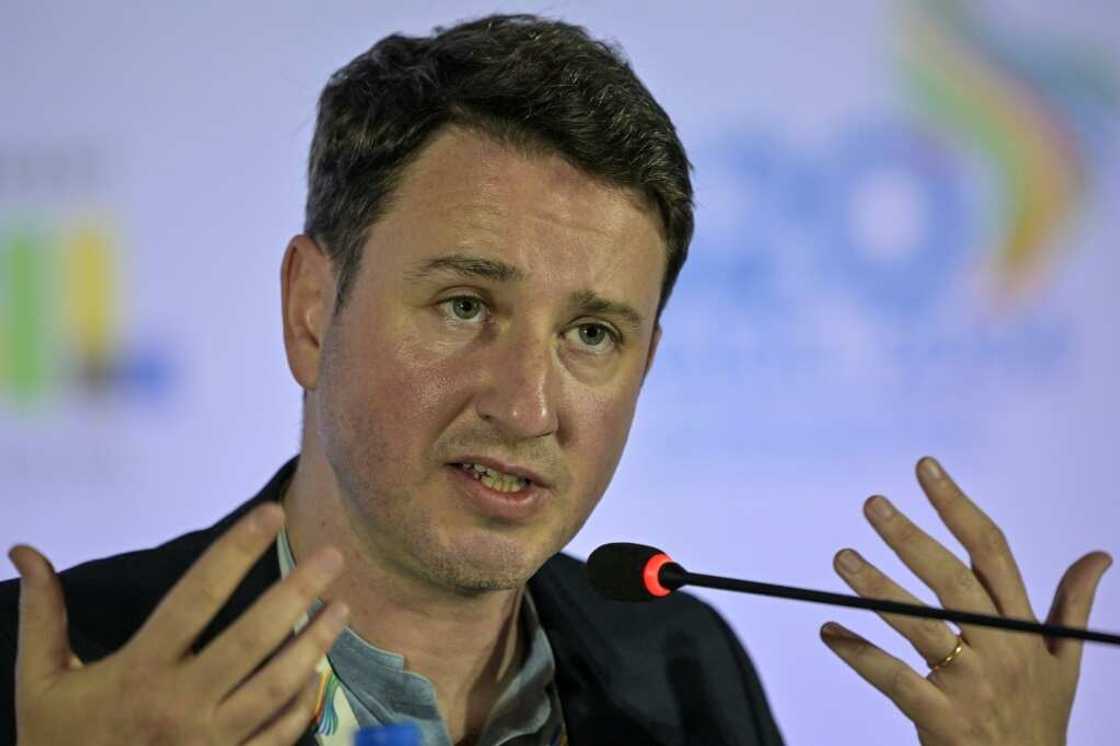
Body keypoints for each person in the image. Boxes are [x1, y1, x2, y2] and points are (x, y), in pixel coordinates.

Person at [0, 13, 1110, 746]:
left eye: (590, 333)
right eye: (465, 305)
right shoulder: (60, 673)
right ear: (309, 309)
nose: (527, 406)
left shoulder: (682, 670)